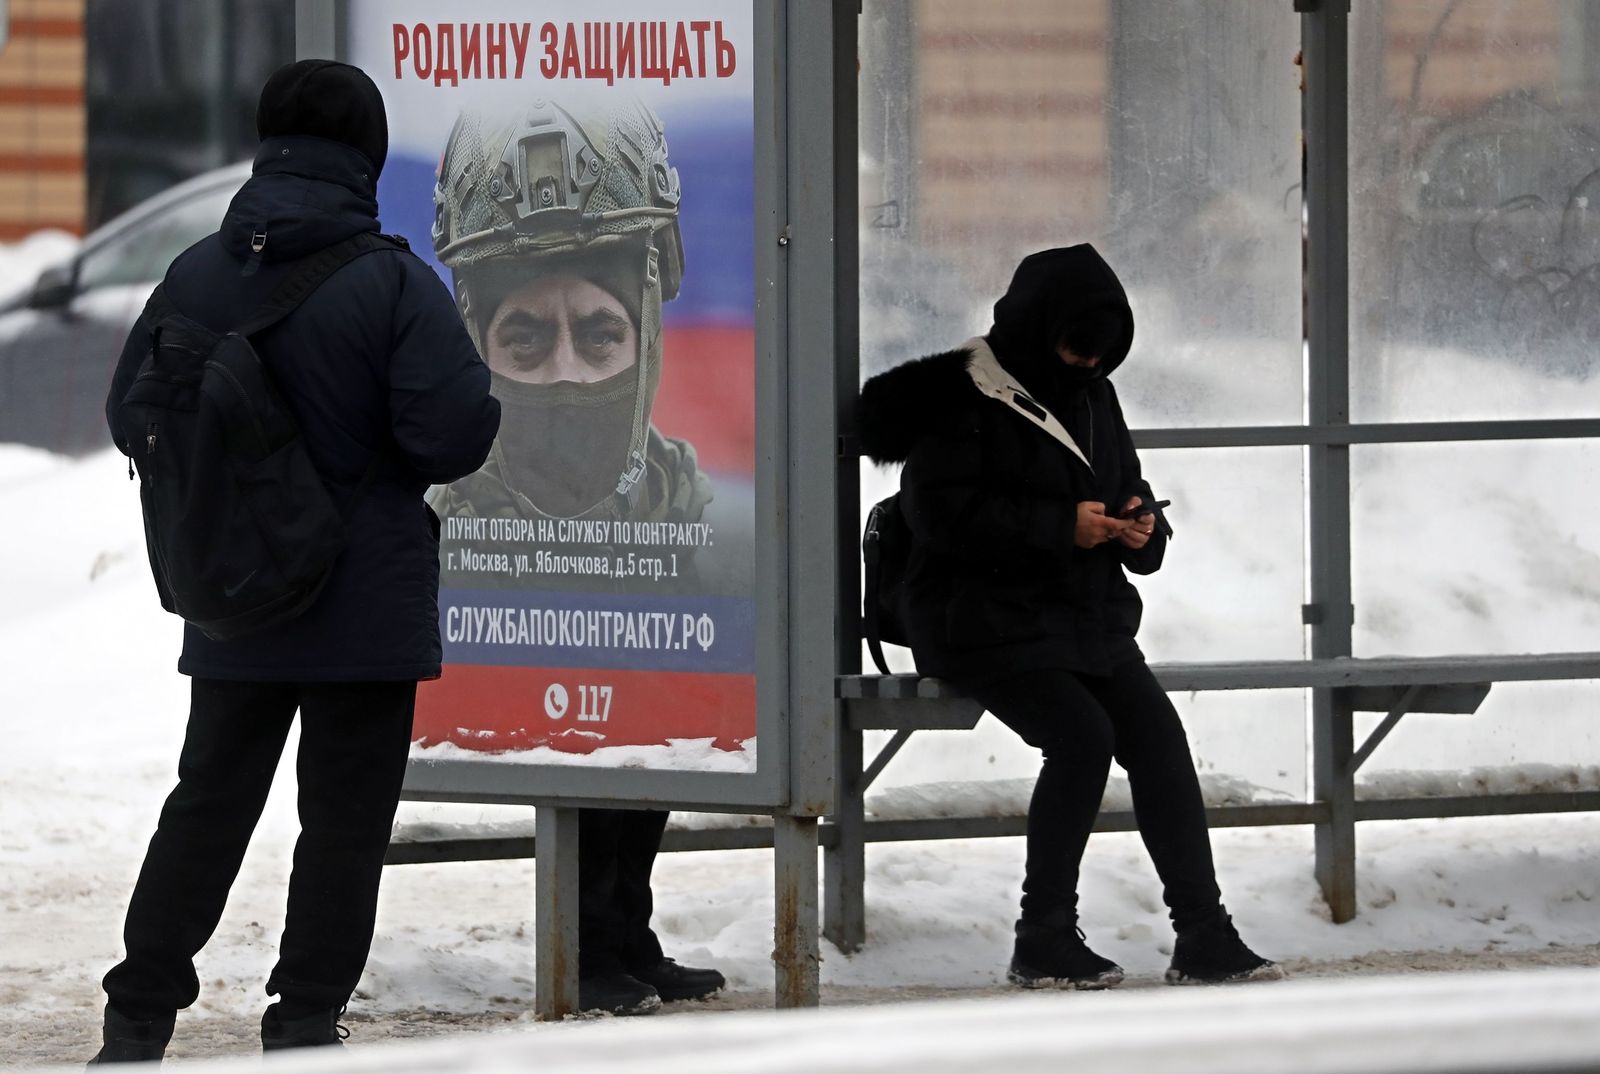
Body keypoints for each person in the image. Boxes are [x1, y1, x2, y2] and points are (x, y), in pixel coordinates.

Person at [93, 60, 500, 1062]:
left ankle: (140, 1008)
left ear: (266, 143)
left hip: (235, 591)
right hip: (362, 602)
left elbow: (126, 414)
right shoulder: (397, 281)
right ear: (363, 155)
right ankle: (307, 1015)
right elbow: (449, 436)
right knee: (343, 819)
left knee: (208, 801)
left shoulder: (194, 272)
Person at [858, 245, 1284, 989]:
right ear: (1034, 325)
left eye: (1102, 355)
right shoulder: (965, 393)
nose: (1086, 365)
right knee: (1083, 740)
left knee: (1157, 738)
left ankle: (1204, 932)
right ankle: (1043, 935)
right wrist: (1061, 527)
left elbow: (1126, 485)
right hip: (976, 620)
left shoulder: (1093, 393)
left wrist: (1140, 527)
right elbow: (941, 516)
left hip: (1074, 617)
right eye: (1075, 347)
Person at [429, 95, 726, 1016]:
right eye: (525, 337)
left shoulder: (705, 516)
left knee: (642, 755)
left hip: (636, 592)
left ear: (644, 331)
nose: (565, 371)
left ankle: (626, 936)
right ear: (479, 338)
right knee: (582, 770)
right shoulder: (453, 520)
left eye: (600, 334)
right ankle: (589, 949)